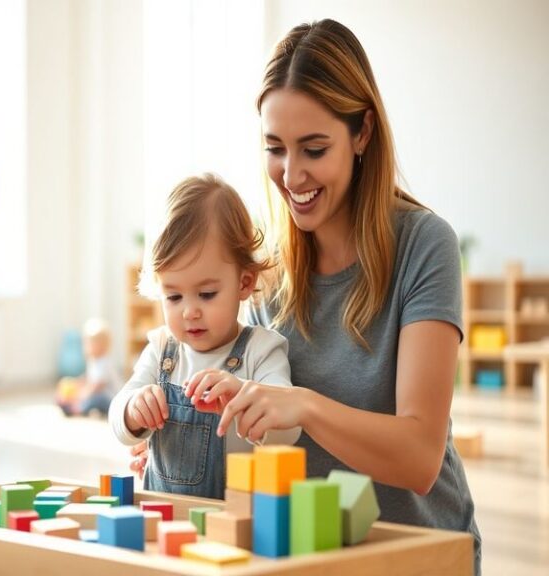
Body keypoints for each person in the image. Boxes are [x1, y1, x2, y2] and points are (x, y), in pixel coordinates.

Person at [198, 19, 479, 573]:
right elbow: (258, 439)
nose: (291, 173)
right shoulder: (266, 271)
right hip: (311, 555)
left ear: (362, 133)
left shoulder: (425, 245)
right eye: (275, 148)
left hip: (419, 552)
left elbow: (420, 456)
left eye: (314, 148)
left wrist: (304, 404)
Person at [108, 174, 300, 499]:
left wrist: (244, 398)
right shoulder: (161, 350)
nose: (189, 312)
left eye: (207, 294)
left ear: (243, 283)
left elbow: (290, 430)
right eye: (174, 297)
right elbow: (118, 419)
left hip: (235, 522)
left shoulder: (261, 351)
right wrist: (132, 410)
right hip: (163, 518)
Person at [56, 318, 120, 417]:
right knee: (84, 392)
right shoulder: (93, 361)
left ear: (103, 346)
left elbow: (97, 386)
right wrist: (75, 384)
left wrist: (81, 396)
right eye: (86, 343)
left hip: (112, 400)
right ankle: (71, 403)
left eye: (91, 343)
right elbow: (88, 378)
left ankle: (78, 408)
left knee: (97, 398)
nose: (87, 346)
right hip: (98, 394)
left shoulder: (105, 363)